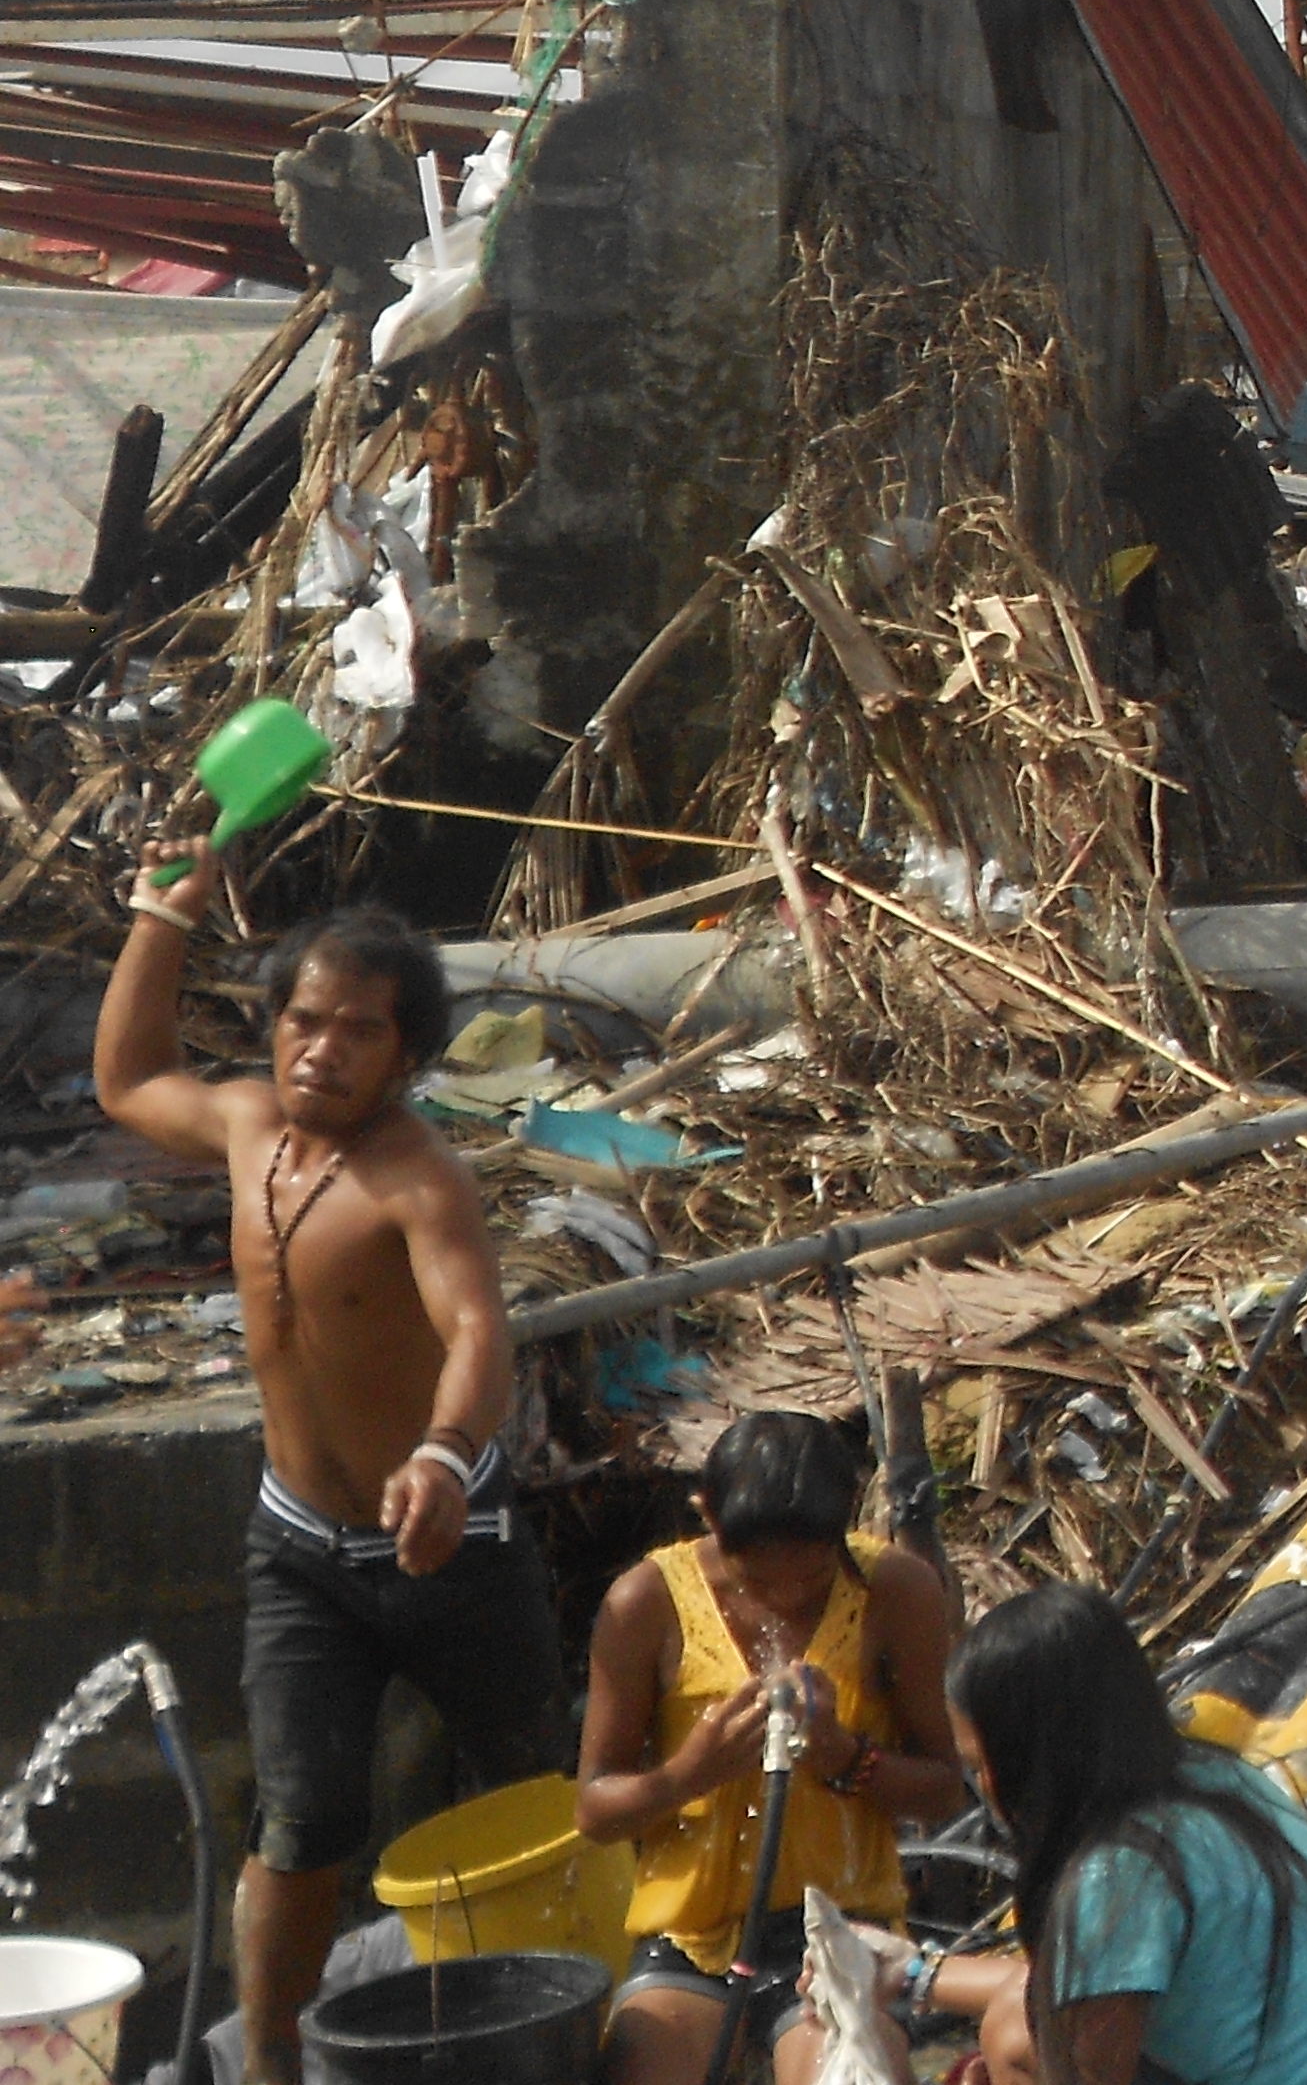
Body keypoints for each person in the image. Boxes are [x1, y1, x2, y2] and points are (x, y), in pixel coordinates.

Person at [94, 854, 558, 2085]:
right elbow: (128, 1079)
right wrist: (163, 915)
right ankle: (272, 2067)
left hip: (455, 1540)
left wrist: (444, 1459)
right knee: (298, 1827)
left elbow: (477, 1329)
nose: (323, 1050)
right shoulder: (249, 1126)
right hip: (301, 1548)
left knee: (534, 1791)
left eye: (360, 1031)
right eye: (305, 1020)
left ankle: (567, 2028)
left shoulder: (420, 1178)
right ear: (274, 1025)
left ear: (405, 1056)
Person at [869, 1585, 1307, 2085]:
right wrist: (913, 1971)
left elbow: (1072, 2056)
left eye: (980, 1765)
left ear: (1032, 1759)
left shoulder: (1119, 1870)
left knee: (1013, 2039)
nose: (986, 1786)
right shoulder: (1217, 1781)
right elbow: (1064, 1989)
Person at [577, 1410, 966, 2085]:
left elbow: (944, 1788)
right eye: (755, 1580)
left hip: (843, 1927)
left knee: (852, 2073)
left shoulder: (895, 1591)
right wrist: (688, 1773)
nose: (785, 1598)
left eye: (811, 1583)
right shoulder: (646, 1602)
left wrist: (845, 1757)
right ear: (706, 1514)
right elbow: (595, 1810)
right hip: (692, 1939)